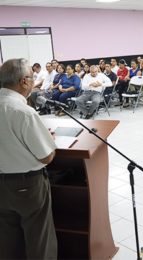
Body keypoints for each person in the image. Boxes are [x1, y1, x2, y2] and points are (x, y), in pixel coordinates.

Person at [0, 58, 57, 259]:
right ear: (25, 81)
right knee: (39, 239)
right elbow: (47, 157)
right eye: (32, 78)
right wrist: (47, 139)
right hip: (26, 186)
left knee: (7, 241)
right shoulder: (22, 112)